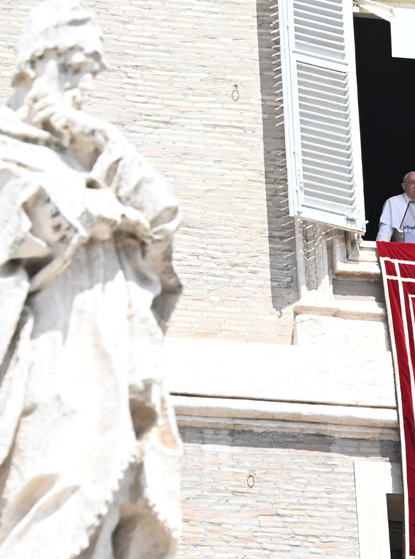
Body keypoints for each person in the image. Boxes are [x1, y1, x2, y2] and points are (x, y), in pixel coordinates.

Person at [0, 2, 181, 557]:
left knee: (117, 492)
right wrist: (81, 218)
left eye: (89, 72)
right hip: (53, 344)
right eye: (72, 67)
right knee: (66, 472)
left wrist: (102, 141)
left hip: (117, 352)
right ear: (35, 63)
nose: (82, 84)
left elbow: (163, 217)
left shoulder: (95, 156)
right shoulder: (7, 148)